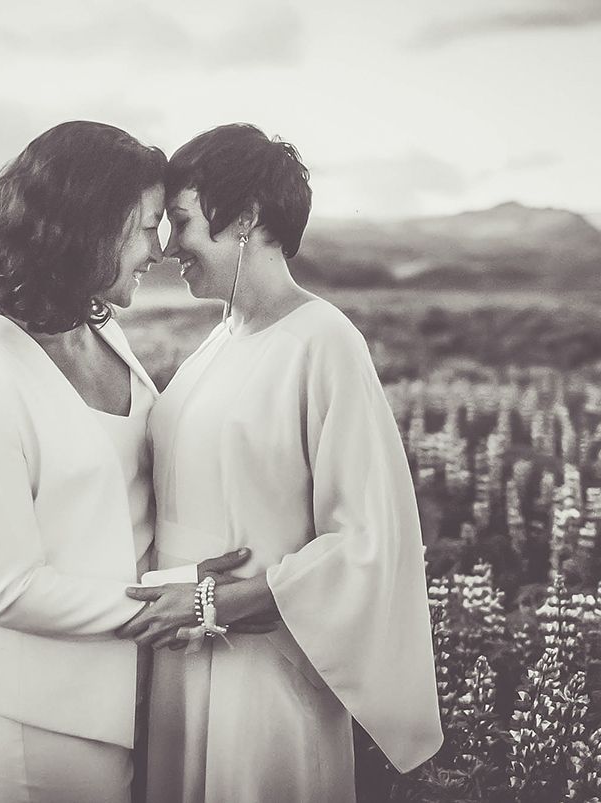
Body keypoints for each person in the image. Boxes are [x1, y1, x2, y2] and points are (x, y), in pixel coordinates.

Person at [0, 121, 255, 803]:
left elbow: (123, 509)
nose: (159, 249)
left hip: (137, 693)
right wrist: (171, 606)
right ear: (87, 228)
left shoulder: (100, 329)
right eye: (146, 228)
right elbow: (11, 590)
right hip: (45, 719)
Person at [119, 124, 444, 803]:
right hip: (182, 660)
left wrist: (213, 602)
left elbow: (367, 542)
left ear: (245, 218)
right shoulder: (220, 339)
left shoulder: (324, 342)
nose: (168, 246)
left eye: (182, 220)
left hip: (264, 675)